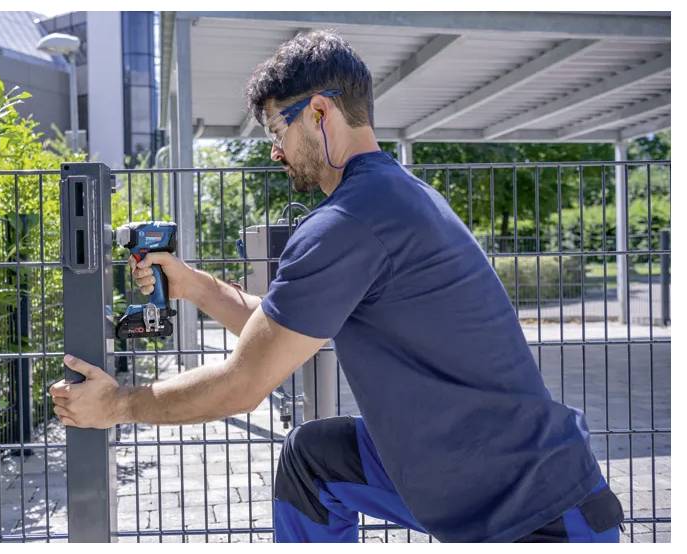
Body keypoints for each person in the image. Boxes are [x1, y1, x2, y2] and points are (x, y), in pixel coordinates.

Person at [48, 30, 624, 543]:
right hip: (464, 469)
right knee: (314, 462)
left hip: (537, 514)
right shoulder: (395, 196)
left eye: (278, 126)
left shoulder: (349, 220)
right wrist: (196, 287)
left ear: (320, 112)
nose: (274, 149)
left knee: (312, 457)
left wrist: (119, 405)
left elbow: (244, 383)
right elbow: (277, 337)